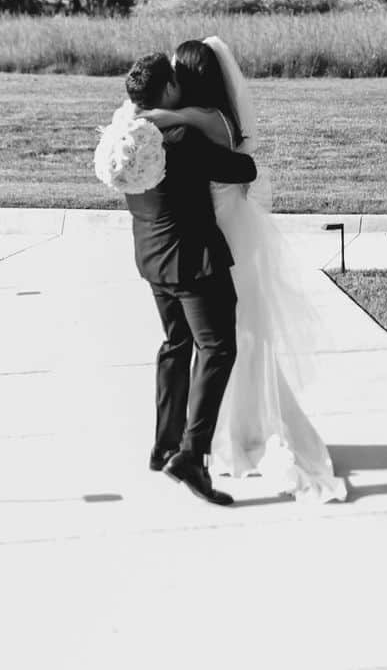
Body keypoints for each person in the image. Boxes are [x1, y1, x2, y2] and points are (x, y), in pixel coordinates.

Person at [139, 37, 347, 503]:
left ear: (189, 77)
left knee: (228, 335)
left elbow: (189, 130)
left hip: (220, 233)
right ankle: (196, 441)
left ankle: (223, 434)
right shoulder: (189, 122)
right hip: (207, 227)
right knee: (216, 337)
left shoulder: (206, 120)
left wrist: (147, 114)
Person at [121, 51, 258, 506]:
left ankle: (163, 446)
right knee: (218, 349)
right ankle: (191, 455)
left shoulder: (126, 133)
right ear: (169, 91)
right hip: (193, 261)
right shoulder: (179, 137)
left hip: (152, 258)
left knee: (176, 346)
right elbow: (243, 169)